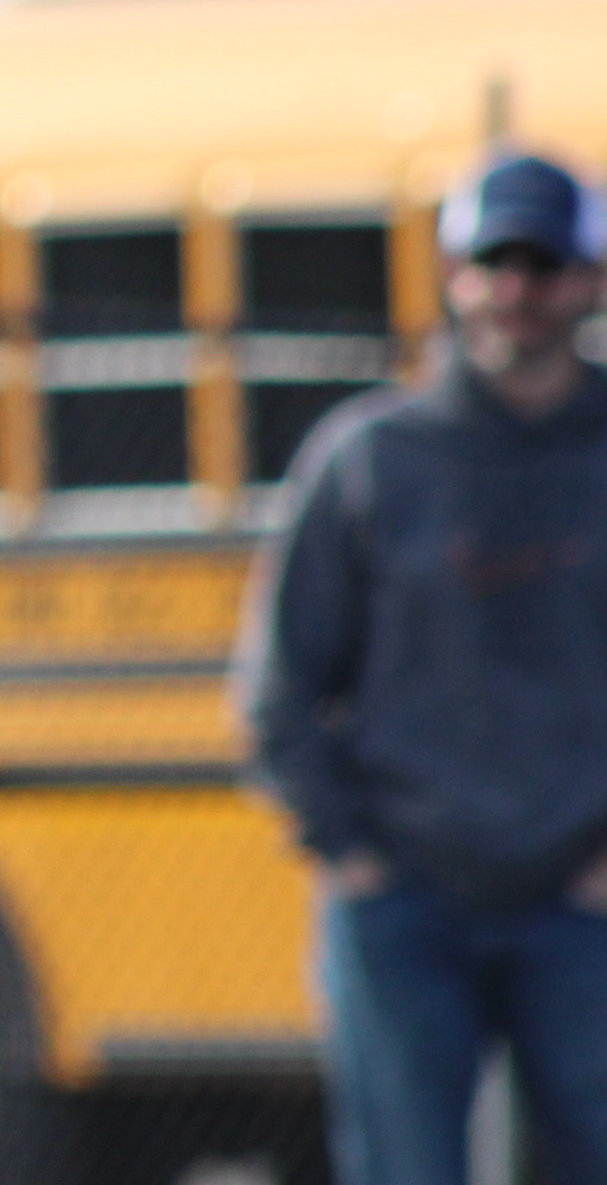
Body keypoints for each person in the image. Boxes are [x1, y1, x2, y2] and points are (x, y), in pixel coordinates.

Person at [237, 149, 607, 1185]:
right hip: (405, 904)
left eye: (544, 266)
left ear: (591, 281)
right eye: (493, 265)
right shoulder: (371, 460)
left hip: (580, 902)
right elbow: (279, 688)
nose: (516, 295)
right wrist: (349, 851)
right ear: (452, 276)